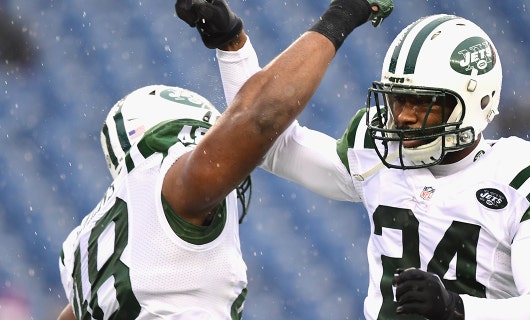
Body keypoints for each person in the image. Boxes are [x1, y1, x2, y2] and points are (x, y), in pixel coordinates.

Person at [214, 12, 530, 320]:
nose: (404, 117)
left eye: (422, 103)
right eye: (397, 100)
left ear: (476, 101)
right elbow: (266, 144)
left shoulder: (528, 178)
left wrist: (457, 310)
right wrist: (233, 46)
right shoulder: (379, 153)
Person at [56, 0, 394, 319]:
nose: (219, 148)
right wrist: (343, 14)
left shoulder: (80, 250)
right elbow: (259, 120)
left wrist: (233, 44)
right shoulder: (171, 185)